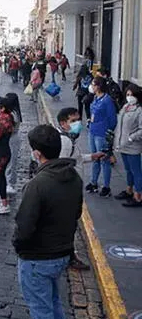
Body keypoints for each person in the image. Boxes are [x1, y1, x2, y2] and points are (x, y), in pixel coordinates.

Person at [14, 125, 83, 319]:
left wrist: (19, 246)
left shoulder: (37, 184)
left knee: (41, 311)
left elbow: (24, 227)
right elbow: (77, 213)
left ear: (37, 153)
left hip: (37, 258)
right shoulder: (74, 178)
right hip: (61, 253)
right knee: (52, 303)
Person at [56, 107, 102, 271]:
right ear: (63, 123)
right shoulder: (65, 141)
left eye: (78, 120)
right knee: (69, 224)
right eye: (73, 121)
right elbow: (60, 165)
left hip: (70, 188)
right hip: (68, 190)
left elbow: (75, 158)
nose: (78, 124)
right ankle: (69, 256)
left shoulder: (69, 138)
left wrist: (92, 157)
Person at [86, 77, 118, 197]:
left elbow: (112, 119)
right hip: (93, 131)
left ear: (99, 86)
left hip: (102, 133)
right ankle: (93, 182)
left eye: (93, 84)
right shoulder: (95, 98)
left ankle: (106, 186)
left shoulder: (107, 100)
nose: (92, 87)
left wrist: (108, 132)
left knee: (104, 160)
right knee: (94, 158)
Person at [113, 85, 142, 207]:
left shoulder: (139, 111)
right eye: (128, 95)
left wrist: (132, 137)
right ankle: (129, 190)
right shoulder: (125, 107)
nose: (129, 97)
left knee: (136, 172)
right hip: (123, 145)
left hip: (133, 146)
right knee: (128, 170)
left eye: (132, 95)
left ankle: (138, 196)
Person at [4, 93, 22, 195]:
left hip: (12, 139)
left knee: (11, 161)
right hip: (9, 139)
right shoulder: (12, 112)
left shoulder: (13, 114)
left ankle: (10, 183)